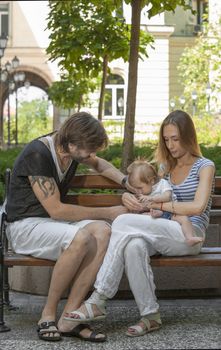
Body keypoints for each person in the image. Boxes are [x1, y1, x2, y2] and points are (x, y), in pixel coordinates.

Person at [64, 110, 215, 337]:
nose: (171, 145)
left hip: (189, 234)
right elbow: (144, 194)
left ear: (189, 137)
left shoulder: (205, 166)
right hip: (162, 231)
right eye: (166, 139)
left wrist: (161, 207)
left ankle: (98, 298)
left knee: (123, 221)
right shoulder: (166, 168)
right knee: (133, 245)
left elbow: (197, 207)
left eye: (176, 139)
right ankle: (150, 316)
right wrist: (128, 197)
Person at [5, 111, 131, 342]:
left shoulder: (72, 150)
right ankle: (47, 314)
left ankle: (69, 318)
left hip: (52, 225)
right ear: (71, 144)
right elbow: (57, 210)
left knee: (103, 231)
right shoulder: (38, 153)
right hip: (24, 226)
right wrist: (109, 212)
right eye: (88, 149)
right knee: (82, 238)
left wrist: (126, 181)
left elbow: (99, 164)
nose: (91, 154)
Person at [127, 159, 204, 246]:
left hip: (171, 213)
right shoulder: (142, 193)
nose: (138, 191)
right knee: (141, 216)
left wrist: (151, 198)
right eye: (135, 189)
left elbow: (167, 197)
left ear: (151, 181)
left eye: (140, 188)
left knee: (185, 219)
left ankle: (189, 237)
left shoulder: (162, 184)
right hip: (155, 217)